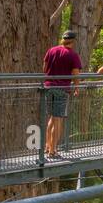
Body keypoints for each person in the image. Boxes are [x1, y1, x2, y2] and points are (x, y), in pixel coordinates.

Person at [42, 29, 82, 160]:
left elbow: (44, 67)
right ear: (73, 41)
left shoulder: (51, 50)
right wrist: (76, 86)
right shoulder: (73, 55)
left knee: (52, 118)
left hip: (48, 87)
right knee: (58, 120)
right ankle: (53, 151)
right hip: (62, 88)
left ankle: (47, 147)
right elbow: (76, 73)